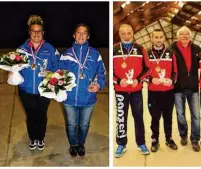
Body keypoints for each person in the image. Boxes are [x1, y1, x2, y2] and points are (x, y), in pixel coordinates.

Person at [57, 24, 106, 157]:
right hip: (69, 99)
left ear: (88, 36)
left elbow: (101, 73)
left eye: (84, 33)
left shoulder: (95, 54)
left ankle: (81, 144)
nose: (81, 36)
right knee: (72, 124)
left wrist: (98, 85)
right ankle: (73, 145)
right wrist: (59, 87)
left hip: (88, 98)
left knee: (84, 125)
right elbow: (58, 74)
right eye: (78, 33)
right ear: (74, 35)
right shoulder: (66, 54)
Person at [15, 15, 60, 151]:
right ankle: (32, 137)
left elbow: (57, 67)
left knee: (41, 115)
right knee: (30, 115)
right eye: (33, 31)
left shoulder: (50, 49)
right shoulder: (21, 49)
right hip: (26, 90)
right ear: (29, 32)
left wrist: (52, 74)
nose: (36, 34)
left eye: (39, 31)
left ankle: (40, 138)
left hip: (44, 90)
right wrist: (12, 72)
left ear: (43, 33)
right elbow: (14, 67)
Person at [113, 24, 151, 158]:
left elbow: (148, 68)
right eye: (123, 33)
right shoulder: (114, 49)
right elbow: (110, 70)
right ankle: (121, 144)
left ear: (133, 33)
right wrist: (118, 81)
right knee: (121, 119)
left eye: (129, 33)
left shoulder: (140, 49)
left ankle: (141, 143)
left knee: (138, 117)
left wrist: (138, 79)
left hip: (136, 90)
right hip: (120, 90)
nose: (126, 36)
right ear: (119, 34)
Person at [170, 26, 201, 152]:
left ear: (190, 36)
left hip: (193, 87)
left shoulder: (196, 49)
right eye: (182, 34)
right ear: (178, 36)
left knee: (195, 115)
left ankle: (195, 139)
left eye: (187, 34)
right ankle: (183, 135)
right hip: (178, 88)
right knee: (181, 115)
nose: (185, 36)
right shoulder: (172, 49)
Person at [146, 29, 178, 152]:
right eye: (156, 37)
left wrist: (171, 80)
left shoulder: (171, 53)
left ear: (164, 38)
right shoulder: (147, 53)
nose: (158, 39)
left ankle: (169, 138)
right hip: (153, 92)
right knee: (155, 117)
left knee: (168, 117)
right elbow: (143, 71)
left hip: (168, 92)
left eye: (160, 37)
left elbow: (175, 71)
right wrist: (151, 79)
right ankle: (155, 139)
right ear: (152, 39)